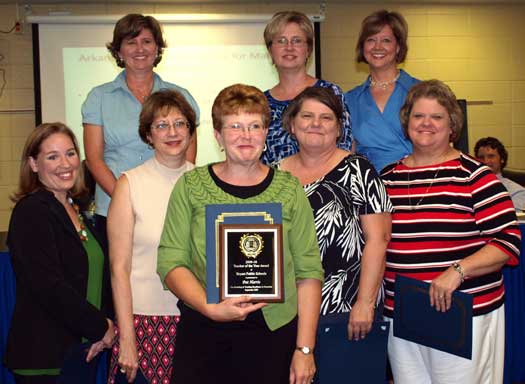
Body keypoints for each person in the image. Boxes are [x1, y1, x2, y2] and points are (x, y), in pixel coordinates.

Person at [157, 84, 324, 384]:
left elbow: (309, 271)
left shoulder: (289, 189)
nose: (245, 135)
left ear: (265, 134)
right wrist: (210, 307)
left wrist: (305, 348)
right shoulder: (191, 186)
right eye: (234, 126)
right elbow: (171, 261)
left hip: (273, 337)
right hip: (203, 333)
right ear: (218, 136)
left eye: (254, 126)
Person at [380, 80, 520, 384]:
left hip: (460, 312)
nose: (426, 123)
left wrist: (459, 270)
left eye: (437, 117)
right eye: (418, 116)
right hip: (402, 312)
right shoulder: (387, 178)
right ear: (407, 122)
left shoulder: (475, 175)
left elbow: (508, 242)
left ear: (452, 124)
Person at [82, 14, 199, 314]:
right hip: (114, 210)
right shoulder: (99, 97)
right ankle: (128, 347)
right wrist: (128, 199)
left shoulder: (180, 95)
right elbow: (94, 159)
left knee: (173, 287)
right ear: (118, 51)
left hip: (172, 210)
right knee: (120, 286)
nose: (139, 48)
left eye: (147, 41)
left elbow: (188, 157)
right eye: (130, 42)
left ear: (158, 49)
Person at [278, 86, 392, 340]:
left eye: (326, 117)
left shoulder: (360, 169)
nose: (316, 123)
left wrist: (365, 303)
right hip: (288, 311)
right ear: (292, 125)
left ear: (339, 128)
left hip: (347, 308)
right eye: (307, 116)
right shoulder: (275, 176)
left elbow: (379, 239)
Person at [5, 123, 115, 384]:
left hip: (82, 352)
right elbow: (48, 287)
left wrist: (104, 328)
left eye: (70, 153)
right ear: (33, 164)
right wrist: (101, 327)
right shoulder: (32, 211)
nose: (65, 164)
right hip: (45, 359)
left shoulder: (75, 209)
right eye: (52, 156)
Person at [107, 90, 196, 383]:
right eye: (161, 125)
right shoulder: (129, 184)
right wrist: (127, 339)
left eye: (180, 123)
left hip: (197, 322)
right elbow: (119, 269)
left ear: (190, 130)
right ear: (148, 135)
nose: (172, 132)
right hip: (144, 325)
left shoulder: (206, 183)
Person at [261, 11, 352, 165]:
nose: (289, 47)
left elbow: (345, 146)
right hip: (275, 187)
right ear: (270, 50)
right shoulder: (261, 103)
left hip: (326, 185)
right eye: (281, 41)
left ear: (308, 49)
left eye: (297, 41)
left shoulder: (330, 92)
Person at [345, 9, 419, 173]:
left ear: (398, 47)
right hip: (369, 188)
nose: (377, 47)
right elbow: (347, 153)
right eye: (371, 40)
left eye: (386, 40)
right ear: (363, 47)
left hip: (417, 183)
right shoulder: (349, 99)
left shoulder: (421, 92)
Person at [475, 136, 525, 211]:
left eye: (491, 156)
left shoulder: (517, 192)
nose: (486, 161)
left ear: (502, 159)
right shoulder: (468, 187)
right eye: (481, 157)